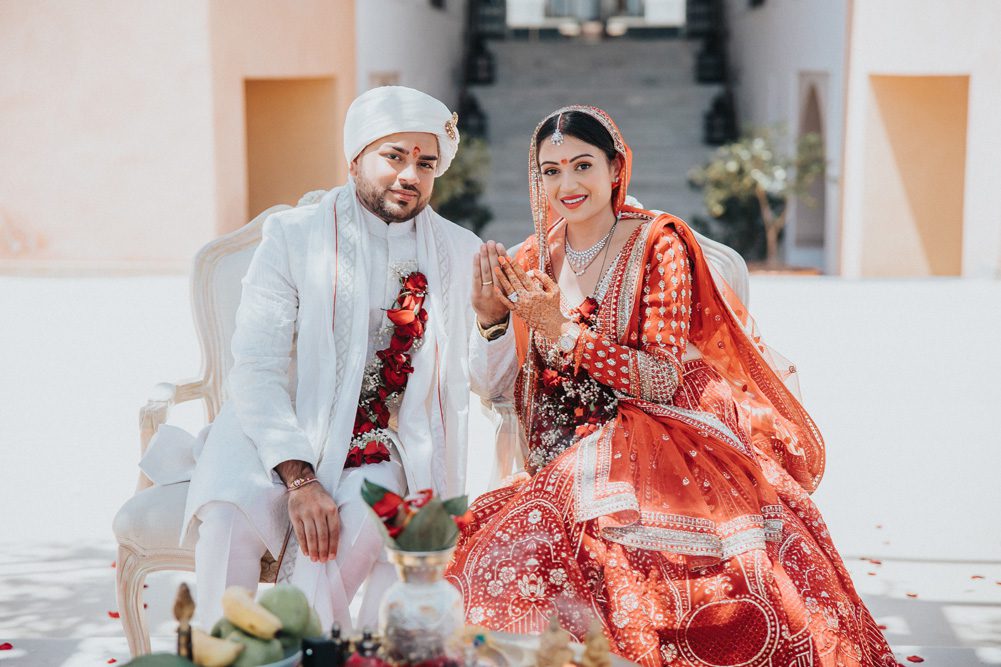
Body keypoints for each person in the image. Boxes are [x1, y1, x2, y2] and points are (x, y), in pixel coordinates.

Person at [445, 106, 896, 667]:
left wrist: (559, 328)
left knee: (672, 571)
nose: (567, 184)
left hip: (665, 435)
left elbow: (659, 378)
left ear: (615, 168)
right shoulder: (531, 257)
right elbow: (495, 390)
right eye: (550, 170)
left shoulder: (659, 243)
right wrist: (491, 319)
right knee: (499, 551)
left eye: (582, 165)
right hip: (562, 448)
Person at [162, 86, 515, 630]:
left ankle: (300, 649)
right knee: (229, 513)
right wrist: (300, 480)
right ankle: (223, 648)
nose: (410, 175)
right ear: (354, 159)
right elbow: (255, 368)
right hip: (279, 425)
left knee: (371, 521)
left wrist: (493, 323)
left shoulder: (460, 250)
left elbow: (488, 386)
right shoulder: (294, 237)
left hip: (385, 438)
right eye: (393, 156)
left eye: (425, 163)